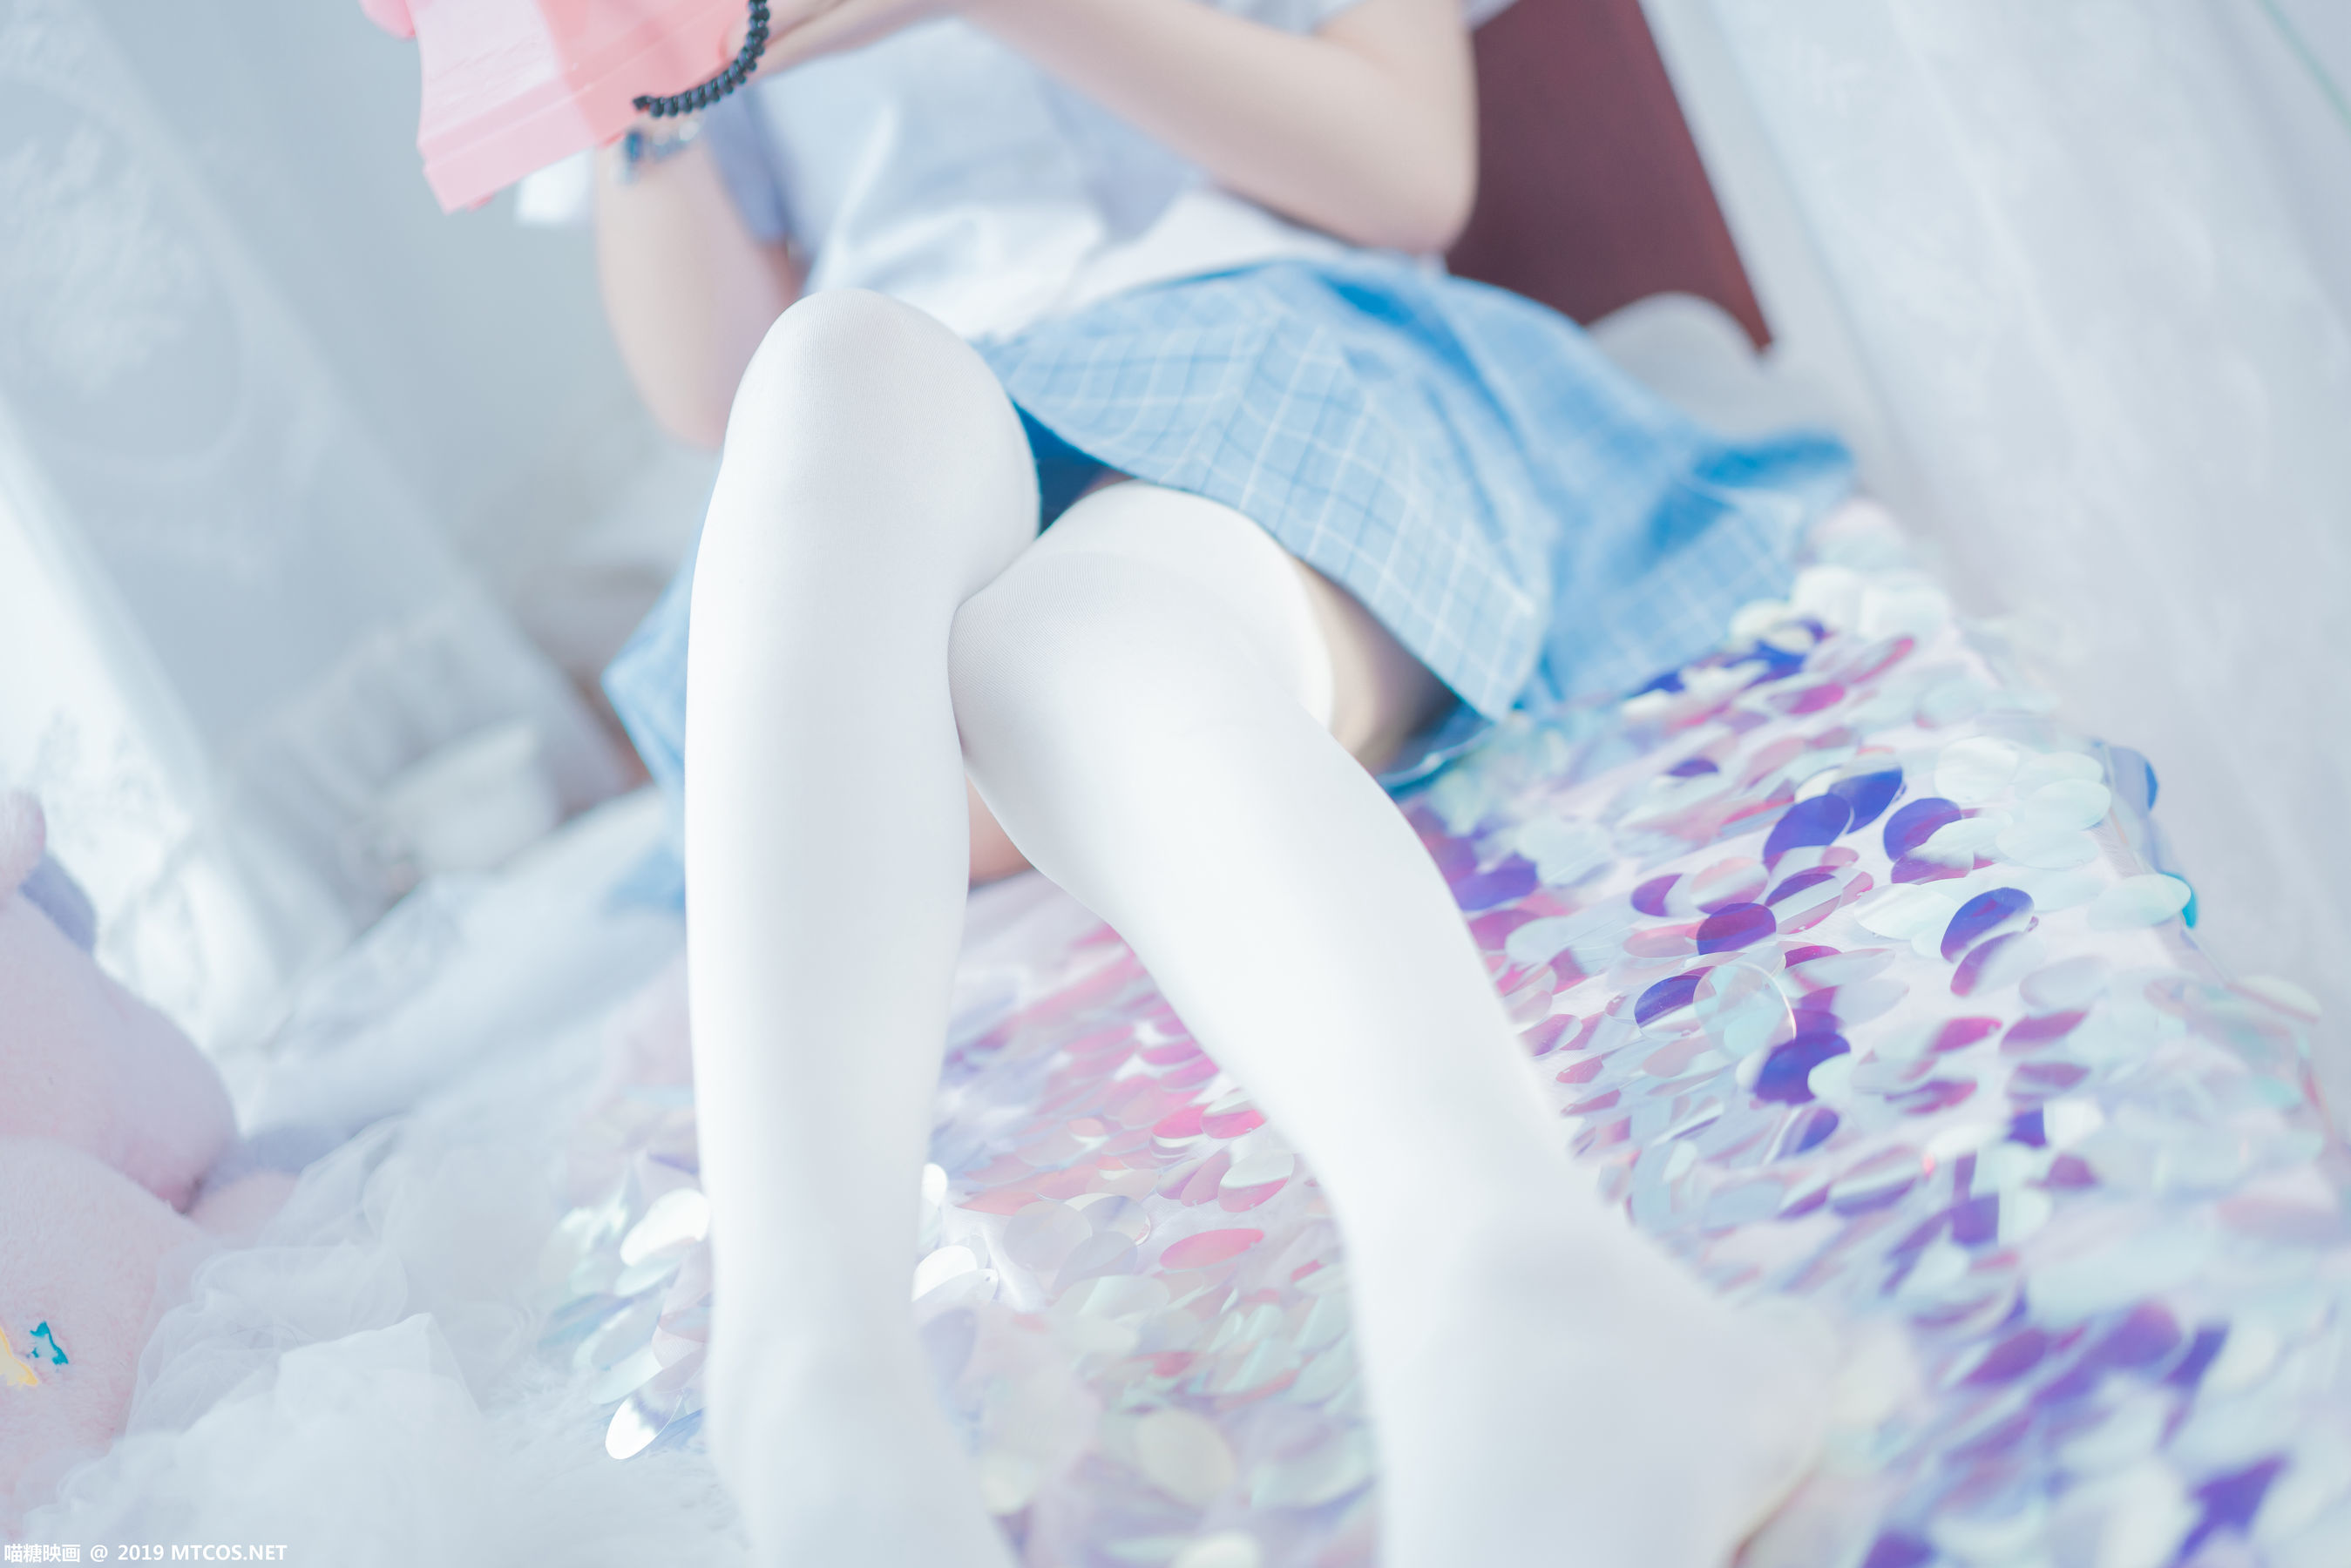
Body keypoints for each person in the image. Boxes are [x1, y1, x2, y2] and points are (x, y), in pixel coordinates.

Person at [591, 0, 1853, 1562]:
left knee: (1071, 634)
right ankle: (813, 1386)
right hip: (886, 495)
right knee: (831, 363)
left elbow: (1404, 172)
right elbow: (709, 396)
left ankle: (1514, 1284)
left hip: (1267, 359)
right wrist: (625, 55)